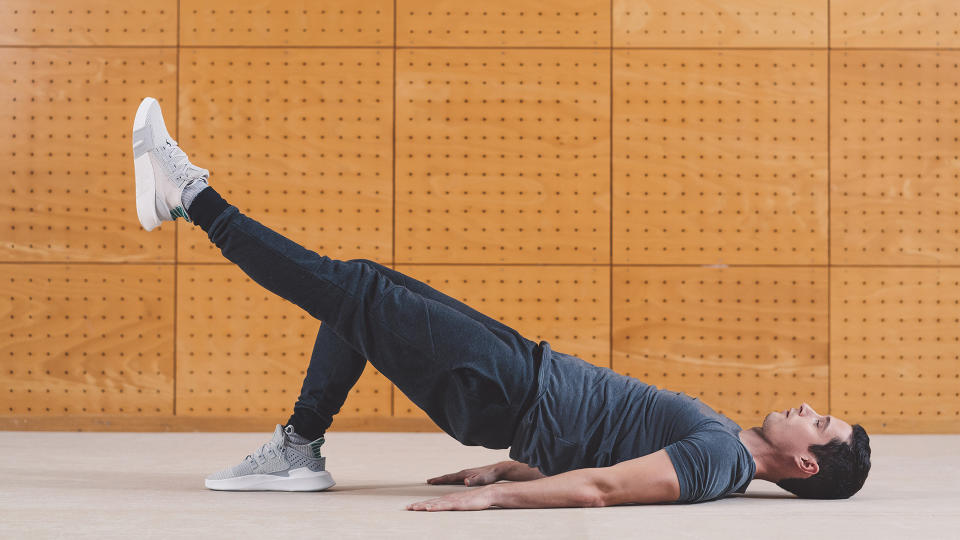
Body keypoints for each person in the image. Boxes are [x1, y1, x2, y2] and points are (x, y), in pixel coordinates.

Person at [131, 97, 872, 511]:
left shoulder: (716, 461)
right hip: (522, 376)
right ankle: (297, 449)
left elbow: (605, 489)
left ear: (806, 463)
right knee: (359, 289)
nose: (808, 406)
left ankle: (190, 197)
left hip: (510, 390)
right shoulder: (725, 447)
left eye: (821, 420)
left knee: (351, 291)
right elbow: (613, 448)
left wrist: (494, 504)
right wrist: (514, 472)